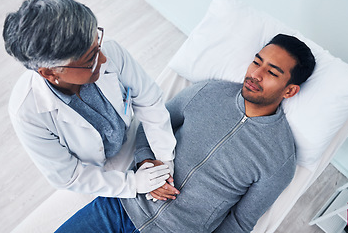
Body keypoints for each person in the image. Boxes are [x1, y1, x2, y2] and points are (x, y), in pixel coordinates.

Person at [56, 33, 316, 233]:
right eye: (256, 62)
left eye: (271, 72)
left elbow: (239, 222)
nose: (255, 74)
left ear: (290, 90)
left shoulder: (279, 159)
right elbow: (152, 122)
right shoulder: (208, 93)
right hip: (121, 206)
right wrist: (146, 162)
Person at [3, 0, 176, 198]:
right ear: (50, 73)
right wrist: (131, 184)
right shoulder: (27, 112)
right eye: (90, 58)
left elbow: (149, 101)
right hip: (101, 173)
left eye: (97, 44)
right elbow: (69, 176)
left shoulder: (108, 50)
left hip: (135, 138)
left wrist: (164, 160)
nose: (102, 59)